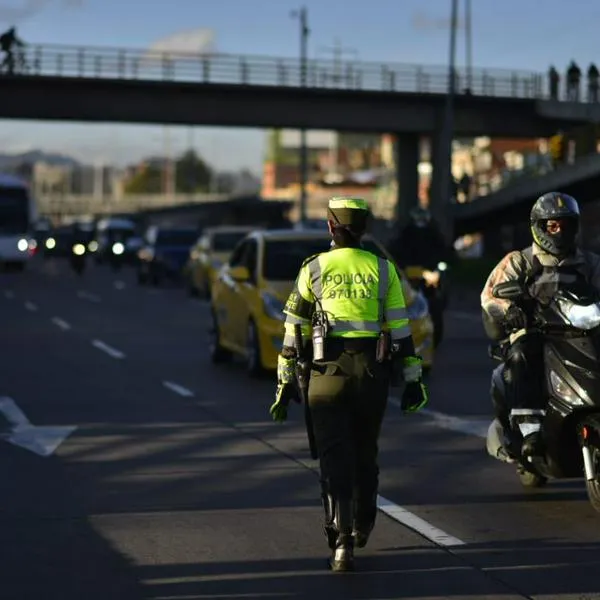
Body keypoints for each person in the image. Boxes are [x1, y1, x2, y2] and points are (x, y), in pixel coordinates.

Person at [269, 196, 428, 572]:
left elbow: (293, 331)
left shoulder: (313, 268)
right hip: (371, 374)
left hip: (326, 375)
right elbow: (402, 333)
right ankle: (362, 523)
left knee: (333, 457)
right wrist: (412, 381)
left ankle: (340, 540)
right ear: (363, 229)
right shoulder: (384, 270)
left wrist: (285, 383)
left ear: (330, 227)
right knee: (364, 452)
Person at [481, 192, 600, 459]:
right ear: (539, 227)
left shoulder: (590, 262)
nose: (560, 231)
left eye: (566, 225)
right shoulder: (519, 261)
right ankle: (530, 429)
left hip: (582, 332)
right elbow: (489, 295)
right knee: (523, 355)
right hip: (535, 333)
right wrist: (509, 310)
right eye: (553, 225)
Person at [388, 206, 453, 270]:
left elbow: (441, 251)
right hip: (408, 269)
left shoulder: (433, 234)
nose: (420, 222)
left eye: (422, 219)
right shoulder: (407, 233)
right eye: (418, 218)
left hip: (430, 269)